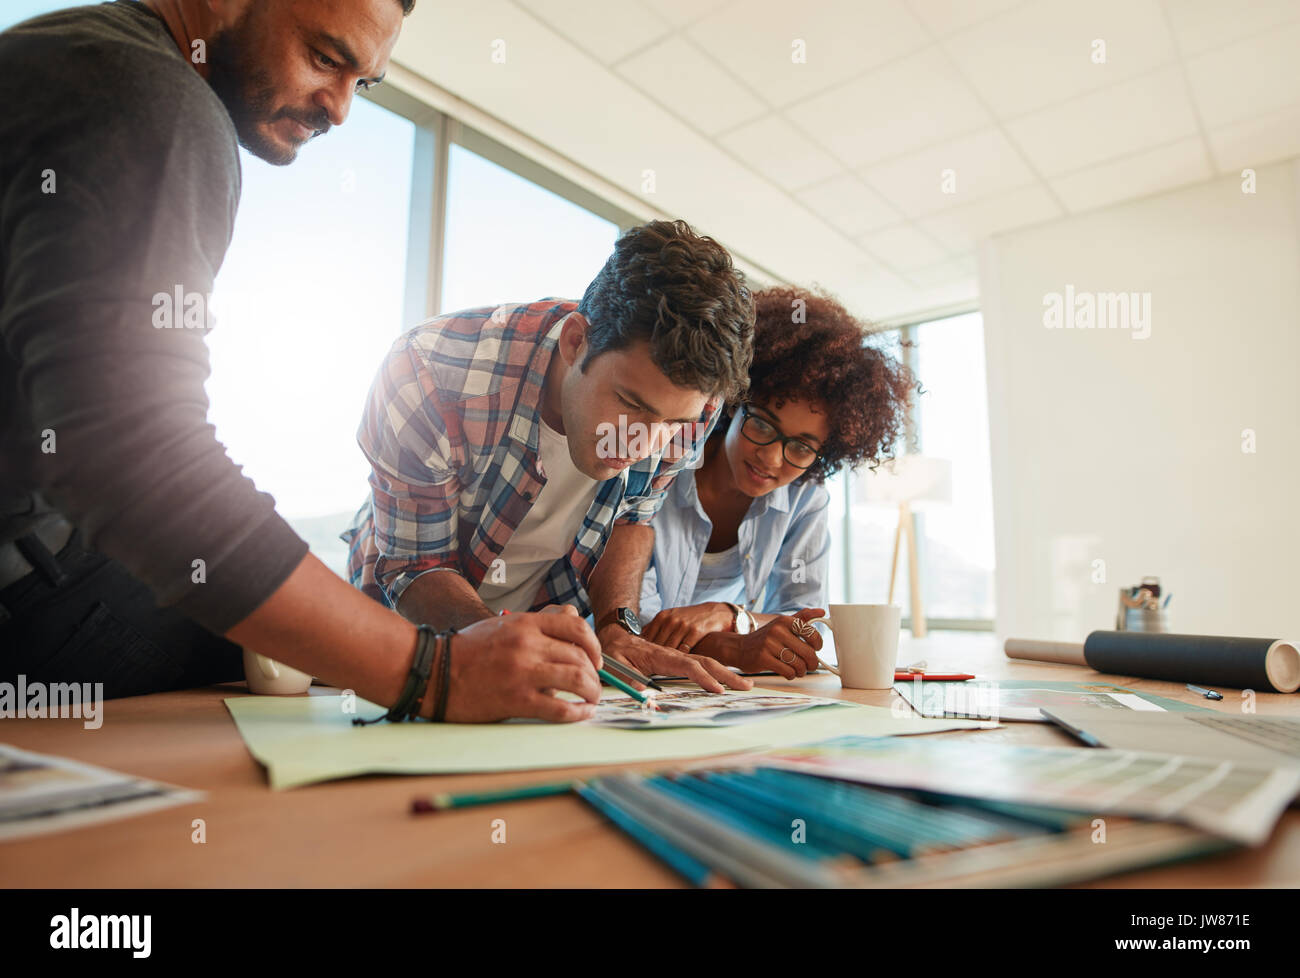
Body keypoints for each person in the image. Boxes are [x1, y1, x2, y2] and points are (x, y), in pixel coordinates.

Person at [0, 0, 606, 724]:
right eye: (325, 58)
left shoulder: (62, 47)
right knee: (305, 695)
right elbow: (136, 457)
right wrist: (433, 673)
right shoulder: (149, 100)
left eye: (365, 83)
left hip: (48, 554)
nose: (341, 109)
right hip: (28, 580)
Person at [343, 220, 757, 693]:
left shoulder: (695, 403)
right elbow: (417, 566)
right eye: (632, 405)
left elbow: (632, 519)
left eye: (673, 423)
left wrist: (617, 625)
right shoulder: (429, 371)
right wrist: (497, 641)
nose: (644, 445)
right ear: (576, 340)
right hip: (402, 632)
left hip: (547, 621)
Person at [637, 285, 915, 679]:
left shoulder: (807, 499)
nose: (770, 458)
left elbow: (805, 621)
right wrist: (736, 645)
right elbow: (638, 622)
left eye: (801, 447)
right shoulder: (663, 463)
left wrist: (729, 615)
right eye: (763, 423)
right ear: (734, 401)